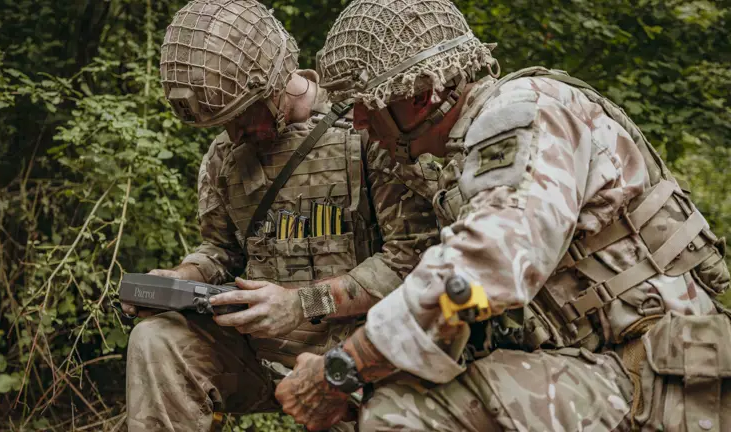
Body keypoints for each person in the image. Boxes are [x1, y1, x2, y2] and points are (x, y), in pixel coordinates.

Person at [275, 0, 731, 430]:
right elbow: (462, 302)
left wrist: (342, 368)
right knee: (393, 382)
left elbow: (486, 266)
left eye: (366, 103)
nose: (357, 121)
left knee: (406, 413)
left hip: (667, 375)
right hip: (618, 366)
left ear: (419, 98)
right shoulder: (467, 154)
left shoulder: (521, 112)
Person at [121, 1, 442, 431]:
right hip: (256, 353)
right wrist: (182, 278)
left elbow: (410, 261)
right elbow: (221, 250)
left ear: (273, 82)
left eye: (239, 116)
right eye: (222, 124)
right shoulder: (225, 157)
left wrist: (301, 304)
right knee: (157, 339)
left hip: (357, 349)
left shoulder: (366, 128)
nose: (233, 134)